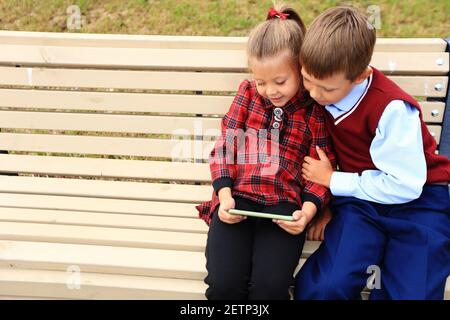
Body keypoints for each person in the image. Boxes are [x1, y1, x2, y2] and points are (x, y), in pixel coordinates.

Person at [295, 6, 450, 300]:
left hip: (419, 202)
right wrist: (325, 203)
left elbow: (404, 185)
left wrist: (333, 180)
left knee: (412, 292)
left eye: (325, 88)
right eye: (306, 80)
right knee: (326, 286)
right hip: (360, 203)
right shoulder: (321, 94)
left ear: (359, 76)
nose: (314, 94)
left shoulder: (391, 110)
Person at [196, 5, 336, 300]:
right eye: (262, 82)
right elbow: (225, 148)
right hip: (237, 200)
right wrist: (224, 197)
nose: (270, 91)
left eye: (280, 81)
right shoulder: (247, 94)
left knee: (269, 288)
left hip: (284, 208)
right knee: (224, 285)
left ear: (300, 68)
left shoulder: (313, 110)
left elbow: (322, 170)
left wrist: (307, 212)